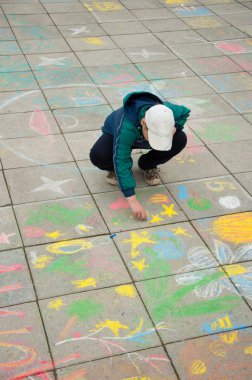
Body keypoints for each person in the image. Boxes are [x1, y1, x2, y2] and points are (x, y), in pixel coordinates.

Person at [90, 91, 190, 220]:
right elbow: (121, 159)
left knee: (180, 139)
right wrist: (132, 201)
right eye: (154, 136)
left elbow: (185, 112)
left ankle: (148, 164)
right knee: (99, 155)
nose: (157, 140)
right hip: (118, 136)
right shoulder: (125, 125)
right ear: (143, 122)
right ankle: (114, 170)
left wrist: (176, 127)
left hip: (141, 136)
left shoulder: (168, 111)